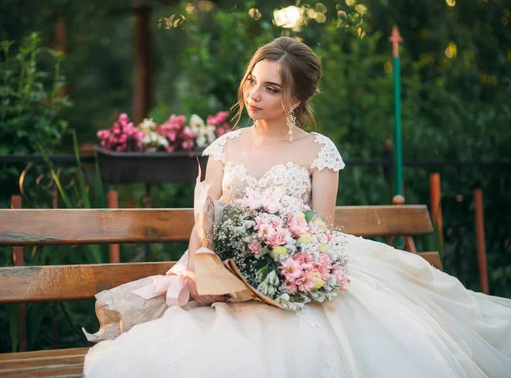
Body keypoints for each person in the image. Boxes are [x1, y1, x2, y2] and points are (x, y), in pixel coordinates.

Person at [83, 37, 511, 377]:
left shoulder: (318, 150)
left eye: (272, 89)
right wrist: (198, 270)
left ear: (296, 97)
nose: (255, 95)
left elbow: (321, 230)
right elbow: (205, 217)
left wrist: (281, 267)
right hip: (223, 270)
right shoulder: (225, 147)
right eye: (253, 81)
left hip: (295, 267)